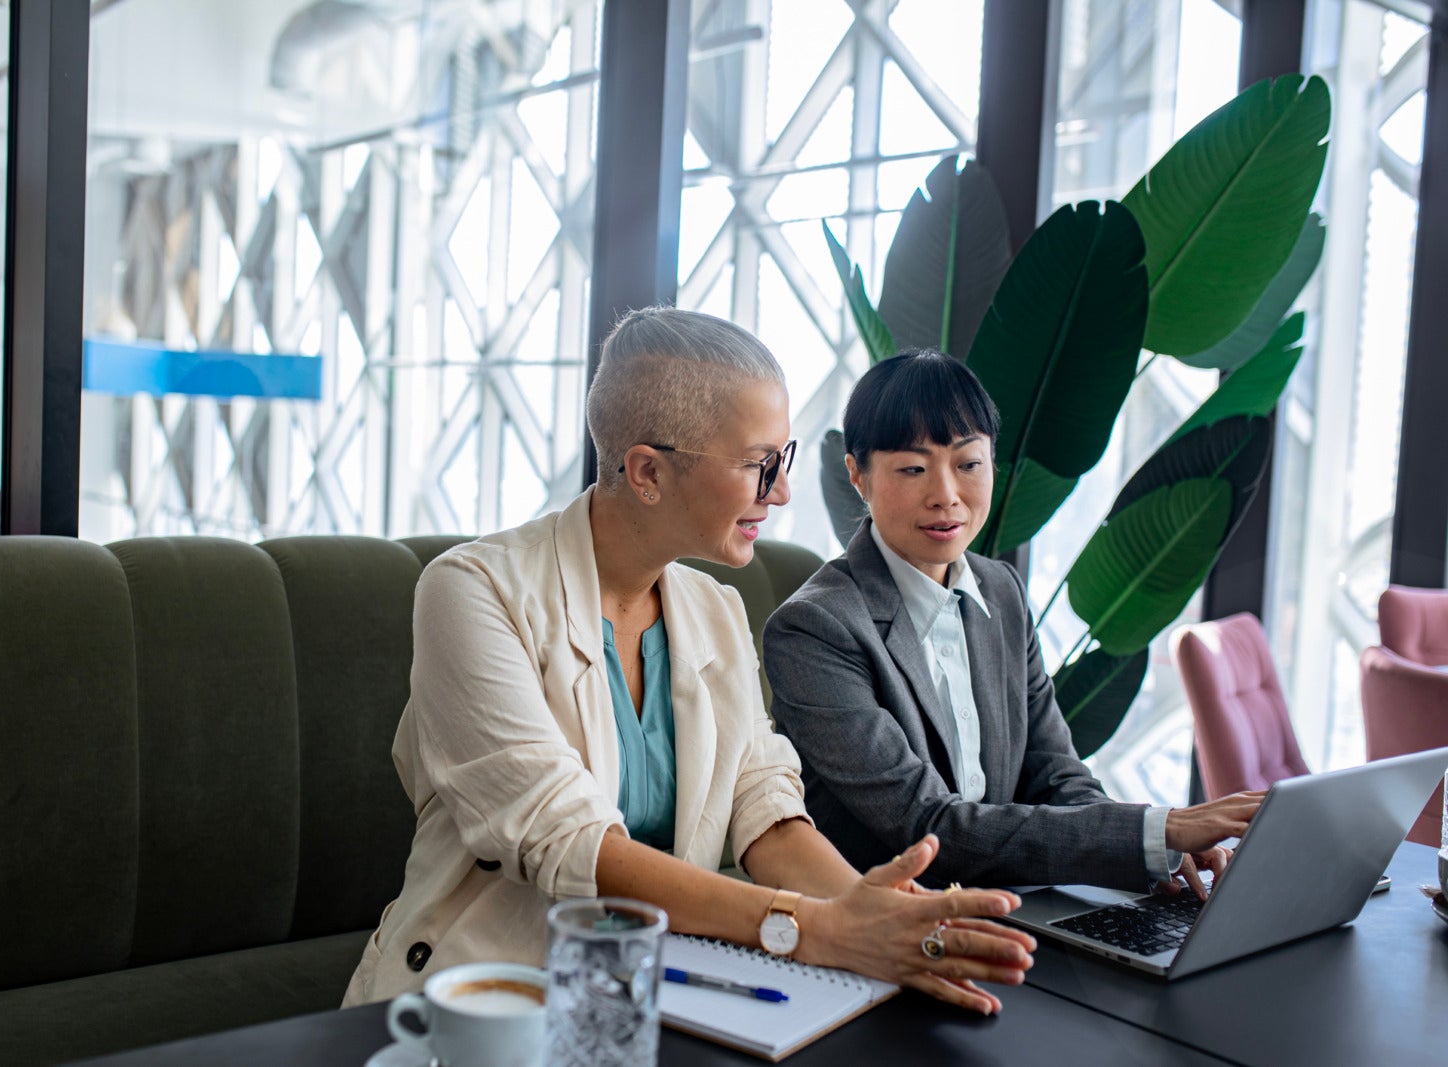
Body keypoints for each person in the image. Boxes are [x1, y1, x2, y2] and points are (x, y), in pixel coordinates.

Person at [343, 311, 1035, 1017]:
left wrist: (875, 911)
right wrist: (812, 927)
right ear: (647, 471)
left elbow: (763, 807)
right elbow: (571, 840)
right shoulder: (471, 590)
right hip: (481, 1007)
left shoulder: (716, 609)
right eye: (758, 464)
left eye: (784, 458)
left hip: (652, 1000)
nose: (783, 490)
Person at [764, 349, 1263, 897]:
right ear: (857, 475)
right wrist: (1155, 829)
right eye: (913, 468)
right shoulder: (815, 628)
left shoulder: (1000, 592)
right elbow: (927, 830)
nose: (946, 496)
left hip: (1012, 906)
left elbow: (1056, 775)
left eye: (968, 464)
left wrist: (1147, 860)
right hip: (892, 926)